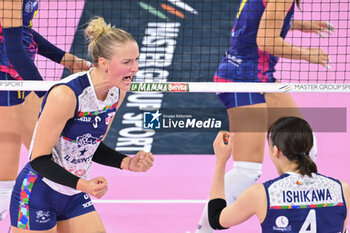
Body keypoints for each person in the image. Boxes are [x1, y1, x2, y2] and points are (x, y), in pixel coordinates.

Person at [194, 0, 335, 231]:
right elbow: (266, 40)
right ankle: (204, 230)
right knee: (246, 171)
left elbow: (257, 23)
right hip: (242, 81)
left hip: (260, 78)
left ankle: (301, 217)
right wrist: (306, 54)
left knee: (306, 147)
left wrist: (299, 24)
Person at [9, 16, 154, 232]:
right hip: (37, 192)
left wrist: (127, 162)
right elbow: (39, 159)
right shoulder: (66, 95)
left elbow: (89, 146)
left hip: (73, 194)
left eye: (136, 60)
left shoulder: (117, 92)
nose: (135, 68)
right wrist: (84, 185)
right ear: (103, 63)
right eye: (127, 62)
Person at [0, 0, 91, 223]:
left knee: (43, 151)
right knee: (11, 166)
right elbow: (14, 51)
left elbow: (22, 32)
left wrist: (63, 58)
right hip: (6, 77)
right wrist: (46, 95)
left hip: (15, 75)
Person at [207, 117, 349, 232]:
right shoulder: (342, 189)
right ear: (310, 147)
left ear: (276, 151)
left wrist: (221, 161)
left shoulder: (262, 194)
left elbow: (216, 219)